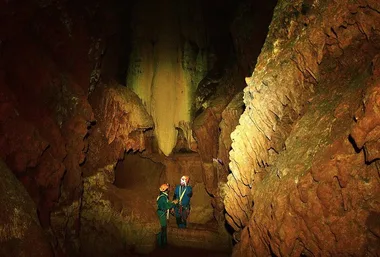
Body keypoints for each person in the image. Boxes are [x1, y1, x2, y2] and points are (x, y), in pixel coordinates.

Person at [156, 183, 178, 248]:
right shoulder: (163, 198)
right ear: (165, 190)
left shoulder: (163, 196)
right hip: (162, 214)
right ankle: (161, 245)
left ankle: (162, 243)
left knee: (163, 228)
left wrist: (172, 203)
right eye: (168, 189)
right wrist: (173, 203)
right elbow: (166, 206)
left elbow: (167, 203)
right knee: (163, 228)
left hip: (161, 213)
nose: (169, 190)